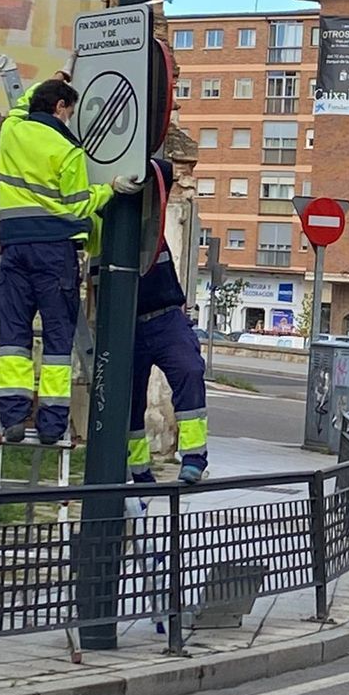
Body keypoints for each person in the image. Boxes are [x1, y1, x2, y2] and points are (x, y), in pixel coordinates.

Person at [0, 72, 143, 444]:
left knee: (13, 337)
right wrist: (110, 189)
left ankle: (12, 418)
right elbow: (78, 207)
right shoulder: (67, 149)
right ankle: (50, 425)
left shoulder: (10, 132)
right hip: (53, 252)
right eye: (70, 111)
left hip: (13, 248)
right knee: (58, 341)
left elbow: (21, 106)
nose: (70, 119)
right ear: (60, 107)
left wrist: (50, 79)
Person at [121, 161, 209, 486]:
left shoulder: (151, 219)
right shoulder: (102, 223)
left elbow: (164, 170)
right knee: (130, 400)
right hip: (127, 325)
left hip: (167, 316)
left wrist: (132, 159)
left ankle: (194, 458)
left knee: (190, 371)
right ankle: (139, 472)